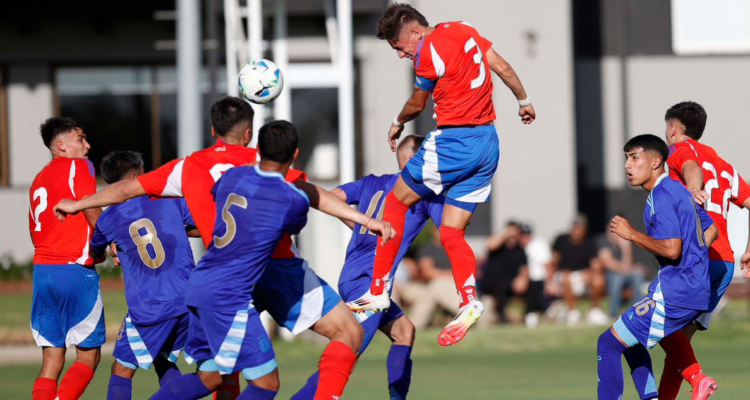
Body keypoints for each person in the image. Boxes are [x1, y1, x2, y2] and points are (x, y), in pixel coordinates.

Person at [54, 120, 395, 400]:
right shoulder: (285, 196)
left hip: (202, 285)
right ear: (291, 154)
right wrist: (367, 222)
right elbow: (306, 202)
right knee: (279, 375)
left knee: (213, 378)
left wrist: (81, 206)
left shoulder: (214, 173)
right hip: (244, 284)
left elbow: (132, 194)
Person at [348, 3, 536, 346]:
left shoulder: (428, 52)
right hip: (488, 143)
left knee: (394, 202)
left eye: (401, 47)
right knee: (451, 231)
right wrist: (523, 100)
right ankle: (467, 300)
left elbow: (418, 103)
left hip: (453, 141)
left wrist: (397, 121)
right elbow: (502, 66)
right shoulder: (462, 28)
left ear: (415, 32)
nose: (403, 54)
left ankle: (377, 291)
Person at [291, 135, 444, 399]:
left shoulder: (372, 182)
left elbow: (333, 197)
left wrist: (359, 225)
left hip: (357, 278)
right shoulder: (421, 195)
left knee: (404, 331)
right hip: (368, 281)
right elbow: (452, 226)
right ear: (415, 160)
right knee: (348, 351)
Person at [598, 134, 718, 400]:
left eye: (634, 157)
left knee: (607, 344)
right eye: (626, 158)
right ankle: (696, 379)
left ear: (655, 162)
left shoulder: (662, 195)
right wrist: (695, 261)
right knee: (632, 338)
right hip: (694, 287)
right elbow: (710, 227)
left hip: (676, 290)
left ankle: (697, 378)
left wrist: (631, 234)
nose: (627, 165)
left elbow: (672, 249)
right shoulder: (678, 190)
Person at [87, 151, 197, 400]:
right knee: (163, 359)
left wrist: (113, 242)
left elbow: (95, 252)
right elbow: (198, 227)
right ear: (135, 176)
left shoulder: (109, 219)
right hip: (188, 299)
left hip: (151, 308)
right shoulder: (168, 198)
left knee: (121, 370)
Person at [659, 101, 750, 400]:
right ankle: (685, 388)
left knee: (657, 324)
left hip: (697, 257)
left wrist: (693, 189)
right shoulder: (723, 164)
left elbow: (690, 166)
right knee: (679, 346)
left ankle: (699, 379)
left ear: (674, 129)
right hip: (723, 264)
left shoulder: (681, 149)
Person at [28, 117, 103, 400]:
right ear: (61, 146)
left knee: (51, 359)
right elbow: (90, 207)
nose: (87, 145)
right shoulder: (79, 165)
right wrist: (110, 242)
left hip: (42, 273)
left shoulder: (39, 178)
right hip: (74, 271)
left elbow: (33, 227)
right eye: (80, 139)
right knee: (88, 358)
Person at [550, 214, 608, 325]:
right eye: (575, 227)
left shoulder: (590, 243)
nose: (577, 230)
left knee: (599, 279)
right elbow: (553, 261)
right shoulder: (561, 240)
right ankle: (573, 312)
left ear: (584, 229)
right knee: (566, 276)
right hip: (562, 276)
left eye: (580, 227)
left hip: (581, 276)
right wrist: (550, 281)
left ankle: (595, 311)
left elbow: (596, 265)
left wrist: (589, 273)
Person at [483, 222, 528, 324]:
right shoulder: (498, 245)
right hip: (492, 282)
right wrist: (505, 234)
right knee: (501, 285)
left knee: (534, 284)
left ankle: (529, 314)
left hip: (511, 283)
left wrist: (523, 279)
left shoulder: (519, 250)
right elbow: (490, 245)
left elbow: (524, 268)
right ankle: (501, 317)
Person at [597, 229, 646, 318]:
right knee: (617, 278)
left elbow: (628, 264)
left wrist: (626, 248)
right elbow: (609, 263)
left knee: (637, 275)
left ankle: (637, 311)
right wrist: (628, 268)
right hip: (610, 274)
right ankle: (613, 311)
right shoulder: (603, 241)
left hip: (625, 272)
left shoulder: (626, 242)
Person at [518, 223, 552, 328]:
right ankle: (534, 312)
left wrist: (549, 283)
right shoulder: (517, 247)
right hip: (524, 280)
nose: (525, 237)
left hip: (538, 280)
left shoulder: (539, 244)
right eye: (523, 234)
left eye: (527, 234)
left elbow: (548, 265)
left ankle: (535, 312)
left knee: (536, 288)